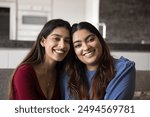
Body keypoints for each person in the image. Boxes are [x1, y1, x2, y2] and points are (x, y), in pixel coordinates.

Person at [59, 21, 135, 100]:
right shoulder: (68, 75)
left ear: (100, 40)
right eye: (78, 45)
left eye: (90, 39)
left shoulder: (123, 69)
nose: (86, 47)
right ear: (74, 52)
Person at [8, 19, 71, 100]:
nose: (62, 45)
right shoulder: (24, 72)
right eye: (56, 38)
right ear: (42, 41)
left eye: (67, 41)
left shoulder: (62, 74)